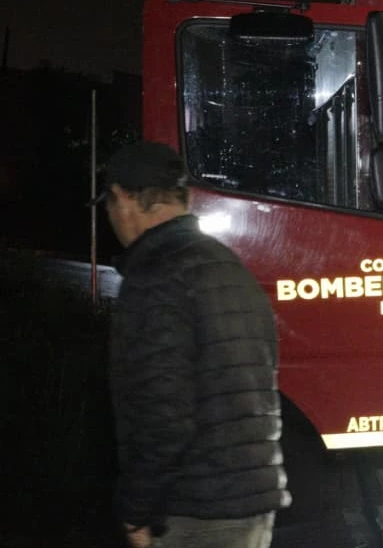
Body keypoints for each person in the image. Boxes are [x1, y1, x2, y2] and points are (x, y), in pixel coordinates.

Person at [93, 141, 289, 548]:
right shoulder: (230, 267)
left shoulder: (157, 278)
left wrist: (136, 510)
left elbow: (162, 415)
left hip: (195, 512)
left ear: (124, 199)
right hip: (250, 503)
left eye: (108, 204)